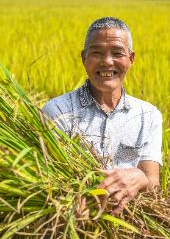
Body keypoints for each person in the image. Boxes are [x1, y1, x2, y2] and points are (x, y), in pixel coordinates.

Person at [42, 17, 162, 216]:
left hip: (133, 222)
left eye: (117, 53)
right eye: (96, 53)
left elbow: (153, 186)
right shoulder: (57, 112)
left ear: (131, 59)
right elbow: (50, 180)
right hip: (75, 220)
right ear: (83, 58)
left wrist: (140, 178)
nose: (107, 62)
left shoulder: (148, 116)